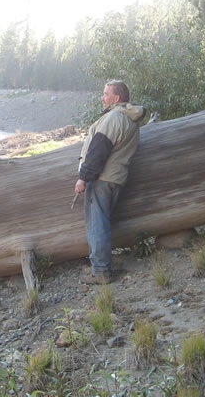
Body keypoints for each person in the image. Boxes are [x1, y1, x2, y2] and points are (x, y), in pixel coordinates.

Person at [74, 81, 146, 284]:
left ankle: (101, 271)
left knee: (97, 224)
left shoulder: (113, 118)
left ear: (117, 98)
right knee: (102, 222)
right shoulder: (129, 119)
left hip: (101, 179)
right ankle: (102, 266)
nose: (102, 97)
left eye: (106, 94)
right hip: (116, 178)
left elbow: (98, 151)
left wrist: (83, 177)